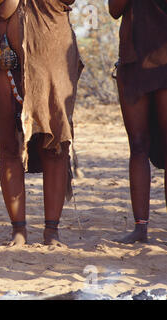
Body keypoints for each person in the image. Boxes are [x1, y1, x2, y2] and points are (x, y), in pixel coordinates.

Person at [0, 0, 82, 246]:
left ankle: (52, 231)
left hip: (52, 57)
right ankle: (18, 230)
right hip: (5, 58)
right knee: (9, 147)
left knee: (55, 144)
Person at [109, 0, 167, 243]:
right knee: (138, 145)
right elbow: (114, 10)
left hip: (164, 61)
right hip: (133, 61)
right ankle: (140, 227)